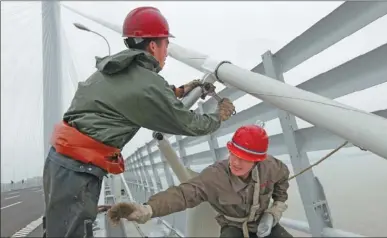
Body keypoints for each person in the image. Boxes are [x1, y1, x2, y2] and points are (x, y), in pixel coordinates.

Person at [42, 6, 235, 238]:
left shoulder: (117, 67)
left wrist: (182, 90)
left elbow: (131, 95)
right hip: (77, 169)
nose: (166, 52)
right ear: (153, 45)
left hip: (63, 161)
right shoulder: (148, 84)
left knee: (58, 229)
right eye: (166, 45)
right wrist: (218, 116)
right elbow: (191, 124)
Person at [108, 124, 293, 238]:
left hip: (264, 221)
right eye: (233, 154)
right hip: (234, 226)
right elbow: (184, 194)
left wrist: (274, 212)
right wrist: (147, 209)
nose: (235, 162)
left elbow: (282, 181)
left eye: (243, 158)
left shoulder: (272, 167)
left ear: (257, 160)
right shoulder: (215, 176)